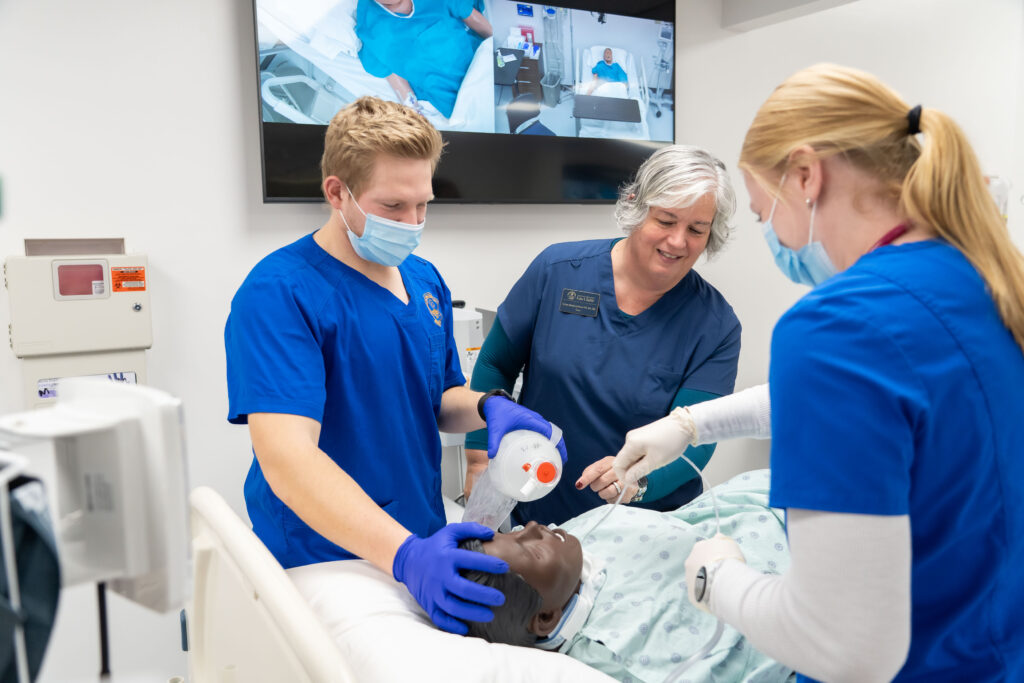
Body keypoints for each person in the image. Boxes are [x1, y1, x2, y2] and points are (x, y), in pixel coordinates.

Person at [616, 63, 1024, 682]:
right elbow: (883, 402)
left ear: (806, 176)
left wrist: (717, 577)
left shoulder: (839, 323)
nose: (773, 237)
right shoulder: (986, 279)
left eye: (761, 215)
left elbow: (847, 651)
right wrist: (691, 423)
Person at [224, 96, 566, 635]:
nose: (412, 224)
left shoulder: (423, 280)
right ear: (338, 192)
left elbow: (436, 401)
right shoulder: (280, 293)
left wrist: (487, 407)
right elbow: (287, 460)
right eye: (392, 208)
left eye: (423, 206)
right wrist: (404, 556)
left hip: (419, 538)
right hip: (326, 557)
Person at [464, 145, 741, 526]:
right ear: (635, 206)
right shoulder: (558, 272)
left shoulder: (715, 325)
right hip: (538, 511)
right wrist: (480, 458)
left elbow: (699, 437)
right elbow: (496, 364)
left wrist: (639, 482)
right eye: (665, 220)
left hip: (643, 527)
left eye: (696, 229)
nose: (678, 241)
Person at [458, 470, 793, 683]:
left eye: (514, 533)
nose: (531, 528)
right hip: (786, 563)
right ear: (547, 618)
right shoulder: (616, 651)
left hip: (758, 500)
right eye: (532, 549)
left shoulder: (568, 549)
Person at [355, 0, 493, 119]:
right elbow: (391, 71)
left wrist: (498, 46)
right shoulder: (371, 28)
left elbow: (469, 15)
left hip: (480, 61)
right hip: (452, 94)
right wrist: (414, 111)